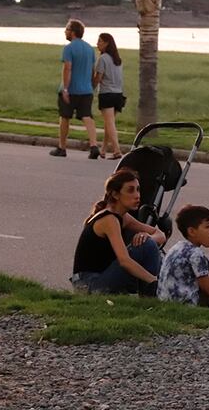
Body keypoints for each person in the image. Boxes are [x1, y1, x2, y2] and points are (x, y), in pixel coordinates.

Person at [70, 169, 163, 295]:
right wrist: (154, 281)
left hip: (102, 277)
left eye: (138, 189)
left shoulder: (123, 216)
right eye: (130, 190)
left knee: (148, 244)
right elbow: (124, 261)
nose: (137, 195)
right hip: (88, 284)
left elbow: (160, 235)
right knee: (147, 246)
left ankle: (149, 294)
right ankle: (152, 295)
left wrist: (147, 236)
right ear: (115, 194)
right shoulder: (109, 219)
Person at [51, 19, 99, 158]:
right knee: (87, 117)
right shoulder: (89, 49)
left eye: (67, 29)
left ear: (72, 32)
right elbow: (92, 69)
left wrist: (65, 88)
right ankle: (94, 145)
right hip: (86, 90)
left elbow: (68, 68)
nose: (65, 32)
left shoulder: (69, 48)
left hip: (71, 90)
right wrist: (90, 85)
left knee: (65, 117)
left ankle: (62, 147)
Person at [93, 32, 125, 159]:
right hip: (118, 94)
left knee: (110, 123)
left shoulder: (103, 59)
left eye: (100, 41)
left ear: (106, 43)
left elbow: (98, 78)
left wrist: (91, 88)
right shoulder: (118, 60)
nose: (97, 44)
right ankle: (103, 149)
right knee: (109, 123)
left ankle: (117, 150)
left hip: (107, 94)